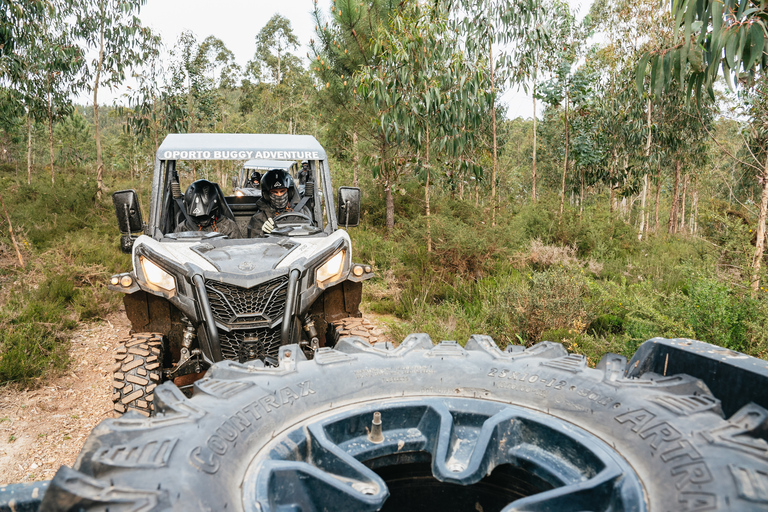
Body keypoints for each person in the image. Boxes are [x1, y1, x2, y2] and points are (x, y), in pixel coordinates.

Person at [247, 169, 312, 237]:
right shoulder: (259, 218)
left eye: (282, 191)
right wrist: (262, 233)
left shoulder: (302, 212)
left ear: (289, 192)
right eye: (274, 192)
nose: (279, 195)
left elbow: (313, 235)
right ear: (267, 195)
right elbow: (254, 243)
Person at [175, 179, 242, 238]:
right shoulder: (183, 228)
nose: (202, 221)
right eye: (198, 218)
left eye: (204, 217)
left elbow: (237, 249)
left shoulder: (228, 227)